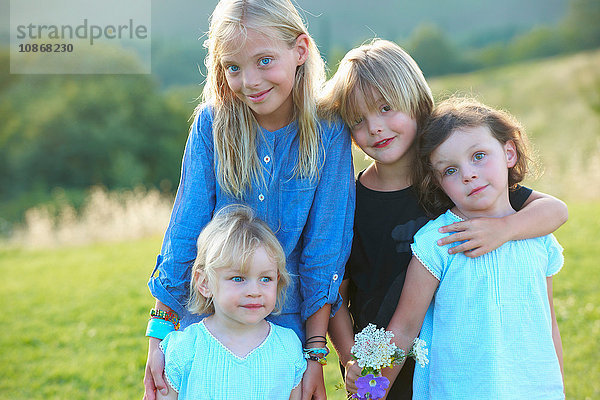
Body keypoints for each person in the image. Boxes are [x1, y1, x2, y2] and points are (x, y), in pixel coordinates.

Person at [320, 40, 568, 399]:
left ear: (416, 102)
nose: (375, 127)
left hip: (457, 363)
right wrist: (349, 359)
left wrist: (504, 229)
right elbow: (335, 291)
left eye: (387, 108)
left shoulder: (457, 182)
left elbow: (555, 210)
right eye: (358, 120)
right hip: (385, 364)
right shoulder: (349, 201)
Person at [143, 1, 355, 399]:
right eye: (234, 67)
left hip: (287, 334)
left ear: (301, 51)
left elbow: (324, 253)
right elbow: (184, 232)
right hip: (208, 324)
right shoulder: (212, 125)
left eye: (264, 61)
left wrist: (313, 354)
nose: (250, 81)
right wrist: (158, 337)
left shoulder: (329, 132)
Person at [378, 97, 565, 398]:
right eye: (450, 170)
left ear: (508, 152)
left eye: (479, 156)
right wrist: (369, 390)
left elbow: (548, 322)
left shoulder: (538, 236)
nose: (468, 174)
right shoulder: (439, 240)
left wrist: (557, 387)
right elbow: (404, 328)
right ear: (439, 183)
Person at [155, 205, 306, 400]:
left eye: (265, 279)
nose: (254, 291)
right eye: (238, 278)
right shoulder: (184, 349)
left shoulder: (288, 347)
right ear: (204, 283)